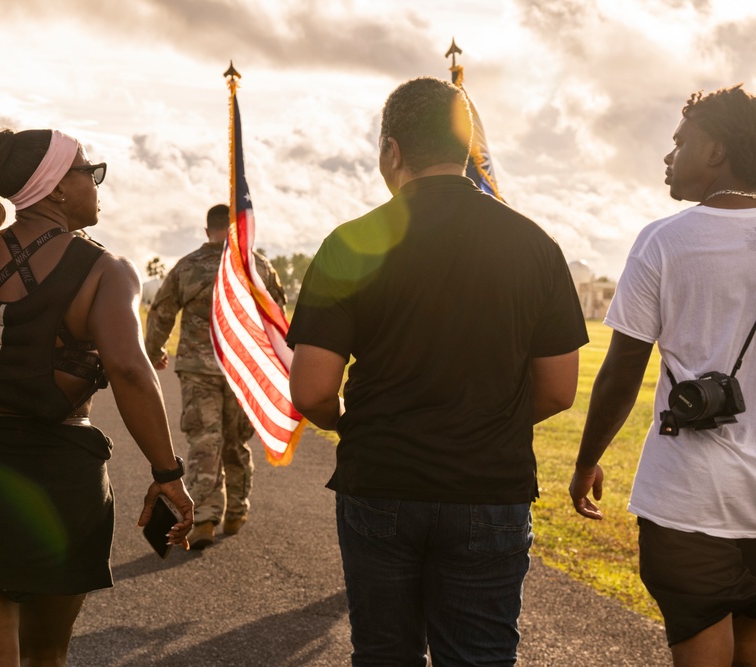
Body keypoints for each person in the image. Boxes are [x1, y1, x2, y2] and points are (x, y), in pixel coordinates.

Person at [286, 76, 588, 665]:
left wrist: (353, 420)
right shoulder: (535, 244)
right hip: (489, 486)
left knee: (384, 654)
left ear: (392, 150)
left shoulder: (351, 243)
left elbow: (313, 389)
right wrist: (484, 418)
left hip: (382, 479)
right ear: (468, 148)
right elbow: (558, 390)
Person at [0, 128, 193, 666]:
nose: (96, 182)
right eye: (89, 171)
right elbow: (128, 369)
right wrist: (167, 473)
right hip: (61, 488)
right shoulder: (107, 271)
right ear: (57, 187)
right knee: (45, 656)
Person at [569, 84, 756, 666]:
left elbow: (623, 370)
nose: (668, 156)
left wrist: (586, 461)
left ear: (716, 151)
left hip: (689, 501)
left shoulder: (663, 241)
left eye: (681, 142)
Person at [144, 204, 286, 550]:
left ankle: (206, 517)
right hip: (243, 370)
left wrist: (153, 351)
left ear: (208, 231)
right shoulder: (257, 266)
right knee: (236, 441)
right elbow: (278, 317)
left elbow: (162, 313)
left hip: (198, 370)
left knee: (205, 440)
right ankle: (236, 511)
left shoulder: (188, 266)